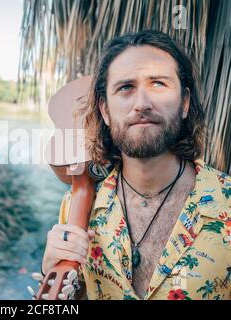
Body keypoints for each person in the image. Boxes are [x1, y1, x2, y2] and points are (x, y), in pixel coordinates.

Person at [39, 30, 231, 300]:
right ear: (105, 111)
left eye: (158, 84)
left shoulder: (227, 204)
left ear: (185, 103)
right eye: (126, 87)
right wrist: (55, 277)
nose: (142, 104)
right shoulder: (75, 206)